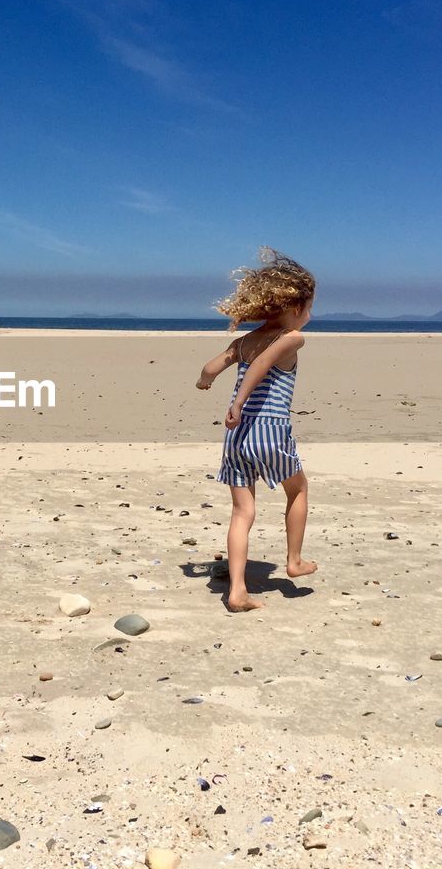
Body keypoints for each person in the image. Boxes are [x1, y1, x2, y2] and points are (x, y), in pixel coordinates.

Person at [196, 247, 318, 611]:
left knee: (242, 511)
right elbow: (261, 367)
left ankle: (236, 591)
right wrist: (237, 403)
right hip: (268, 429)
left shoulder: (243, 341)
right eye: (309, 308)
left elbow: (210, 368)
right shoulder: (291, 338)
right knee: (297, 490)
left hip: (236, 436)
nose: (310, 315)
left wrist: (205, 382)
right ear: (294, 308)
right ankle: (294, 562)